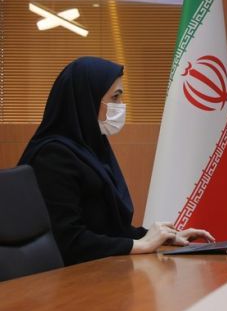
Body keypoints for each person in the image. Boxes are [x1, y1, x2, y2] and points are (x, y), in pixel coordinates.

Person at [18, 56, 213, 265]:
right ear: (87, 100)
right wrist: (141, 245)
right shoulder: (53, 156)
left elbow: (107, 230)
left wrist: (163, 237)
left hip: (96, 270)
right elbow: (68, 241)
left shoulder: (91, 148)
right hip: (64, 278)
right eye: (115, 97)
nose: (120, 105)